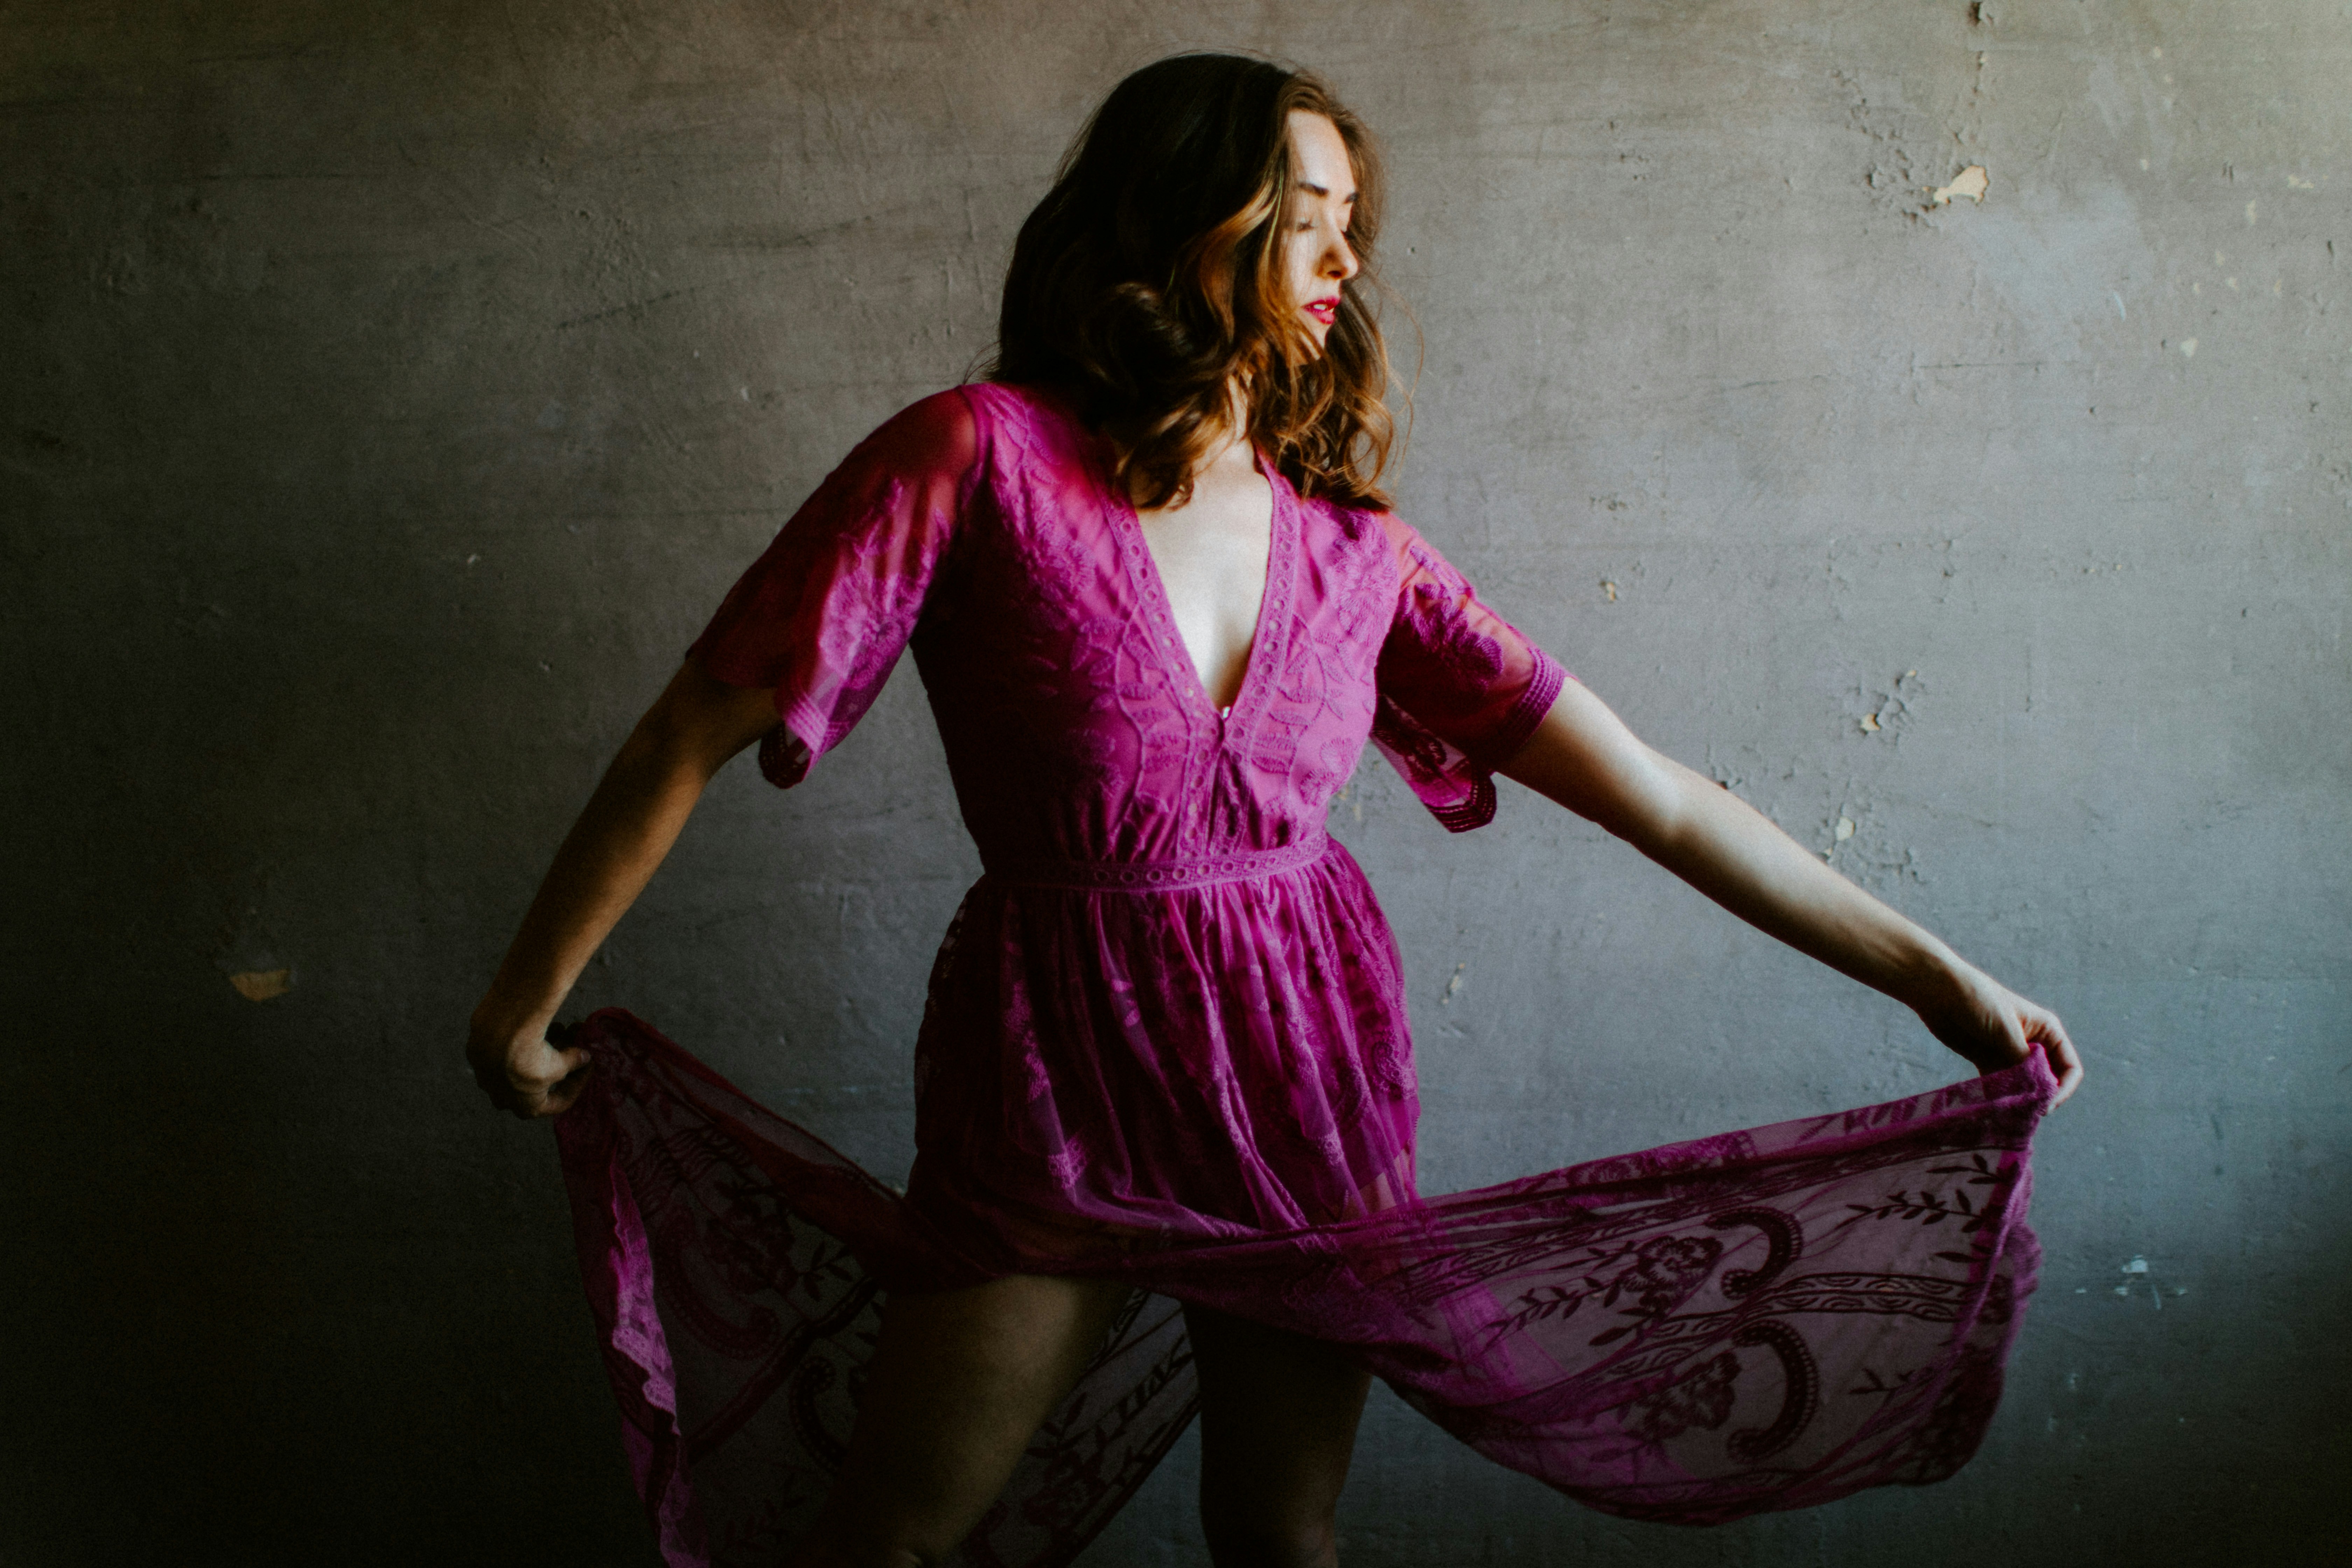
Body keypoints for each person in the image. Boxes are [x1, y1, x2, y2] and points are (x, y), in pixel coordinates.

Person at [468, 52, 2084, 1568]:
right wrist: (525, 997)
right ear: (1179, 224)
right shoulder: (975, 460)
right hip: (1054, 1089)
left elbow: (1658, 799)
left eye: (1350, 230)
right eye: (1302, 221)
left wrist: (1945, 981)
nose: (1341, 262)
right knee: (893, 1539)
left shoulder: (1360, 555)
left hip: (1305, 1081)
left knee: (1280, 1544)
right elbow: (696, 721)